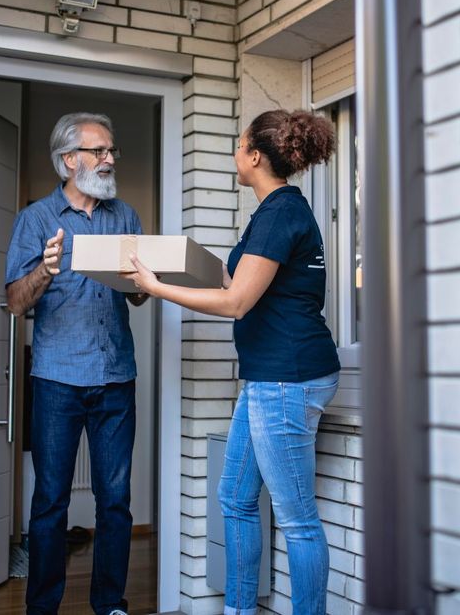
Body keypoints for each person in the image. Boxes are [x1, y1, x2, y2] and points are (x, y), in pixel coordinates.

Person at [124, 109, 340, 615]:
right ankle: (240, 609)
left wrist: (157, 288)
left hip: (287, 378)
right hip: (268, 378)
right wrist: (177, 259)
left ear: (255, 155)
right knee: (236, 497)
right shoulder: (271, 213)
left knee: (297, 519)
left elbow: (237, 302)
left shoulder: (281, 214)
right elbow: (233, 279)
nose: (234, 152)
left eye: (238, 144)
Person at [5, 112, 147, 615]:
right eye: (100, 151)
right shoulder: (36, 220)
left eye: (112, 152)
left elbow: (137, 299)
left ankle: (110, 604)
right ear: (70, 161)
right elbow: (18, 302)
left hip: (116, 380)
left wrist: (142, 279)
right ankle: (42, 608)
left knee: (114, 503)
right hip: (57, 382)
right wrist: (44, 271)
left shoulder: (125, 216)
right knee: (50, 504)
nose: (110, 159)